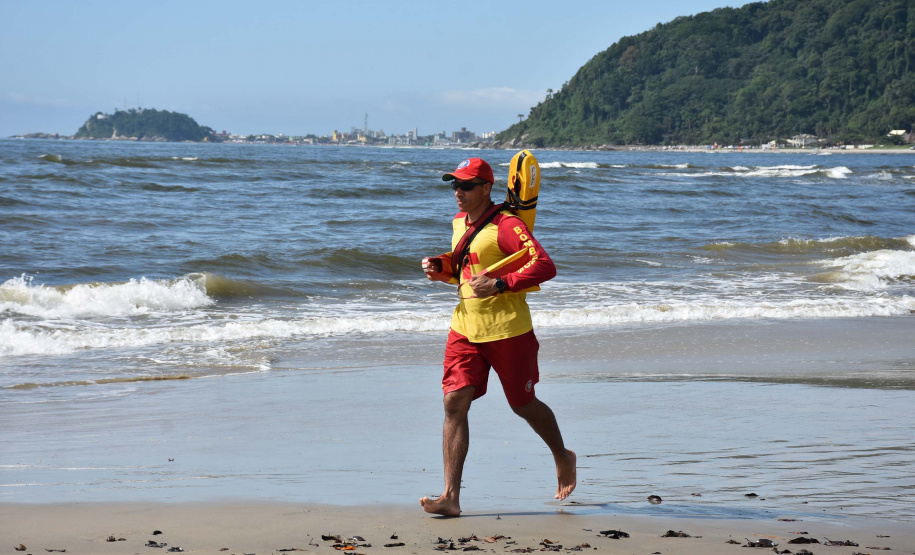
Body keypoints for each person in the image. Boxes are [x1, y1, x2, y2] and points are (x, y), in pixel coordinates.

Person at [420, 157, 576, 516]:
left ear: (486, 188)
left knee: (523, 405)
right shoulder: (459, 222)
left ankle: (562, 455)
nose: (458, 192)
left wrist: (502, 284)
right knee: (453, 403)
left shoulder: (507, 224)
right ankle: (450, 497)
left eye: (466, 186)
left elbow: (544, 264)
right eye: (454, 185)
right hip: (464, 327)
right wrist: (441, 267)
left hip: (508, 330)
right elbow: (468, 266)